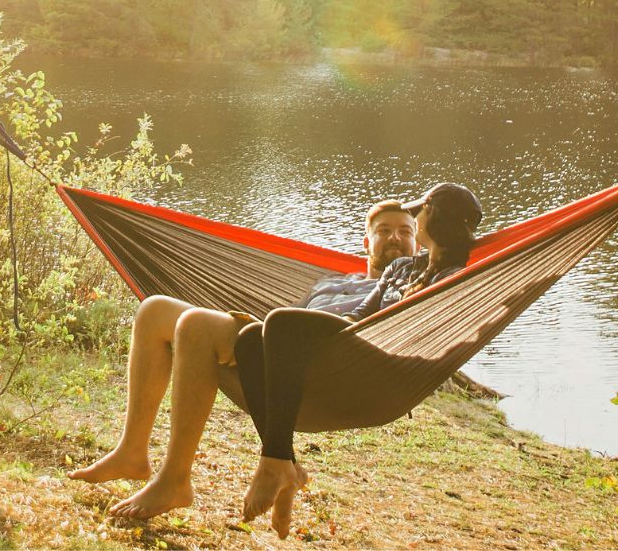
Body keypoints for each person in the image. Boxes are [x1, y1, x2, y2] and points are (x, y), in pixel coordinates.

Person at [67, 199, 420, 521]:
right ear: (365, 243)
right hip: (275, 353)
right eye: (384, 230)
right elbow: (290, 320)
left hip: (333, 374)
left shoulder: (406, 285)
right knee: (154, 310)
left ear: (418, 246)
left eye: (405, 232)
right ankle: (132, 452)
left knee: (196, 325)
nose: (394, 237)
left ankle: (175, 481)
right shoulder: (328, 282)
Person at [233, 181, 483, 536]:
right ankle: (283, 463)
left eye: (421, 212)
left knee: (280, 322)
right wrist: (328, 331)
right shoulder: (402, 268)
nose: (416, 220)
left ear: (434, 220)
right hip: (357, 341)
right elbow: (364, 312)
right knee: (249, 340)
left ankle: (274, 464)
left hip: (384, 364)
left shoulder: (453, 278)